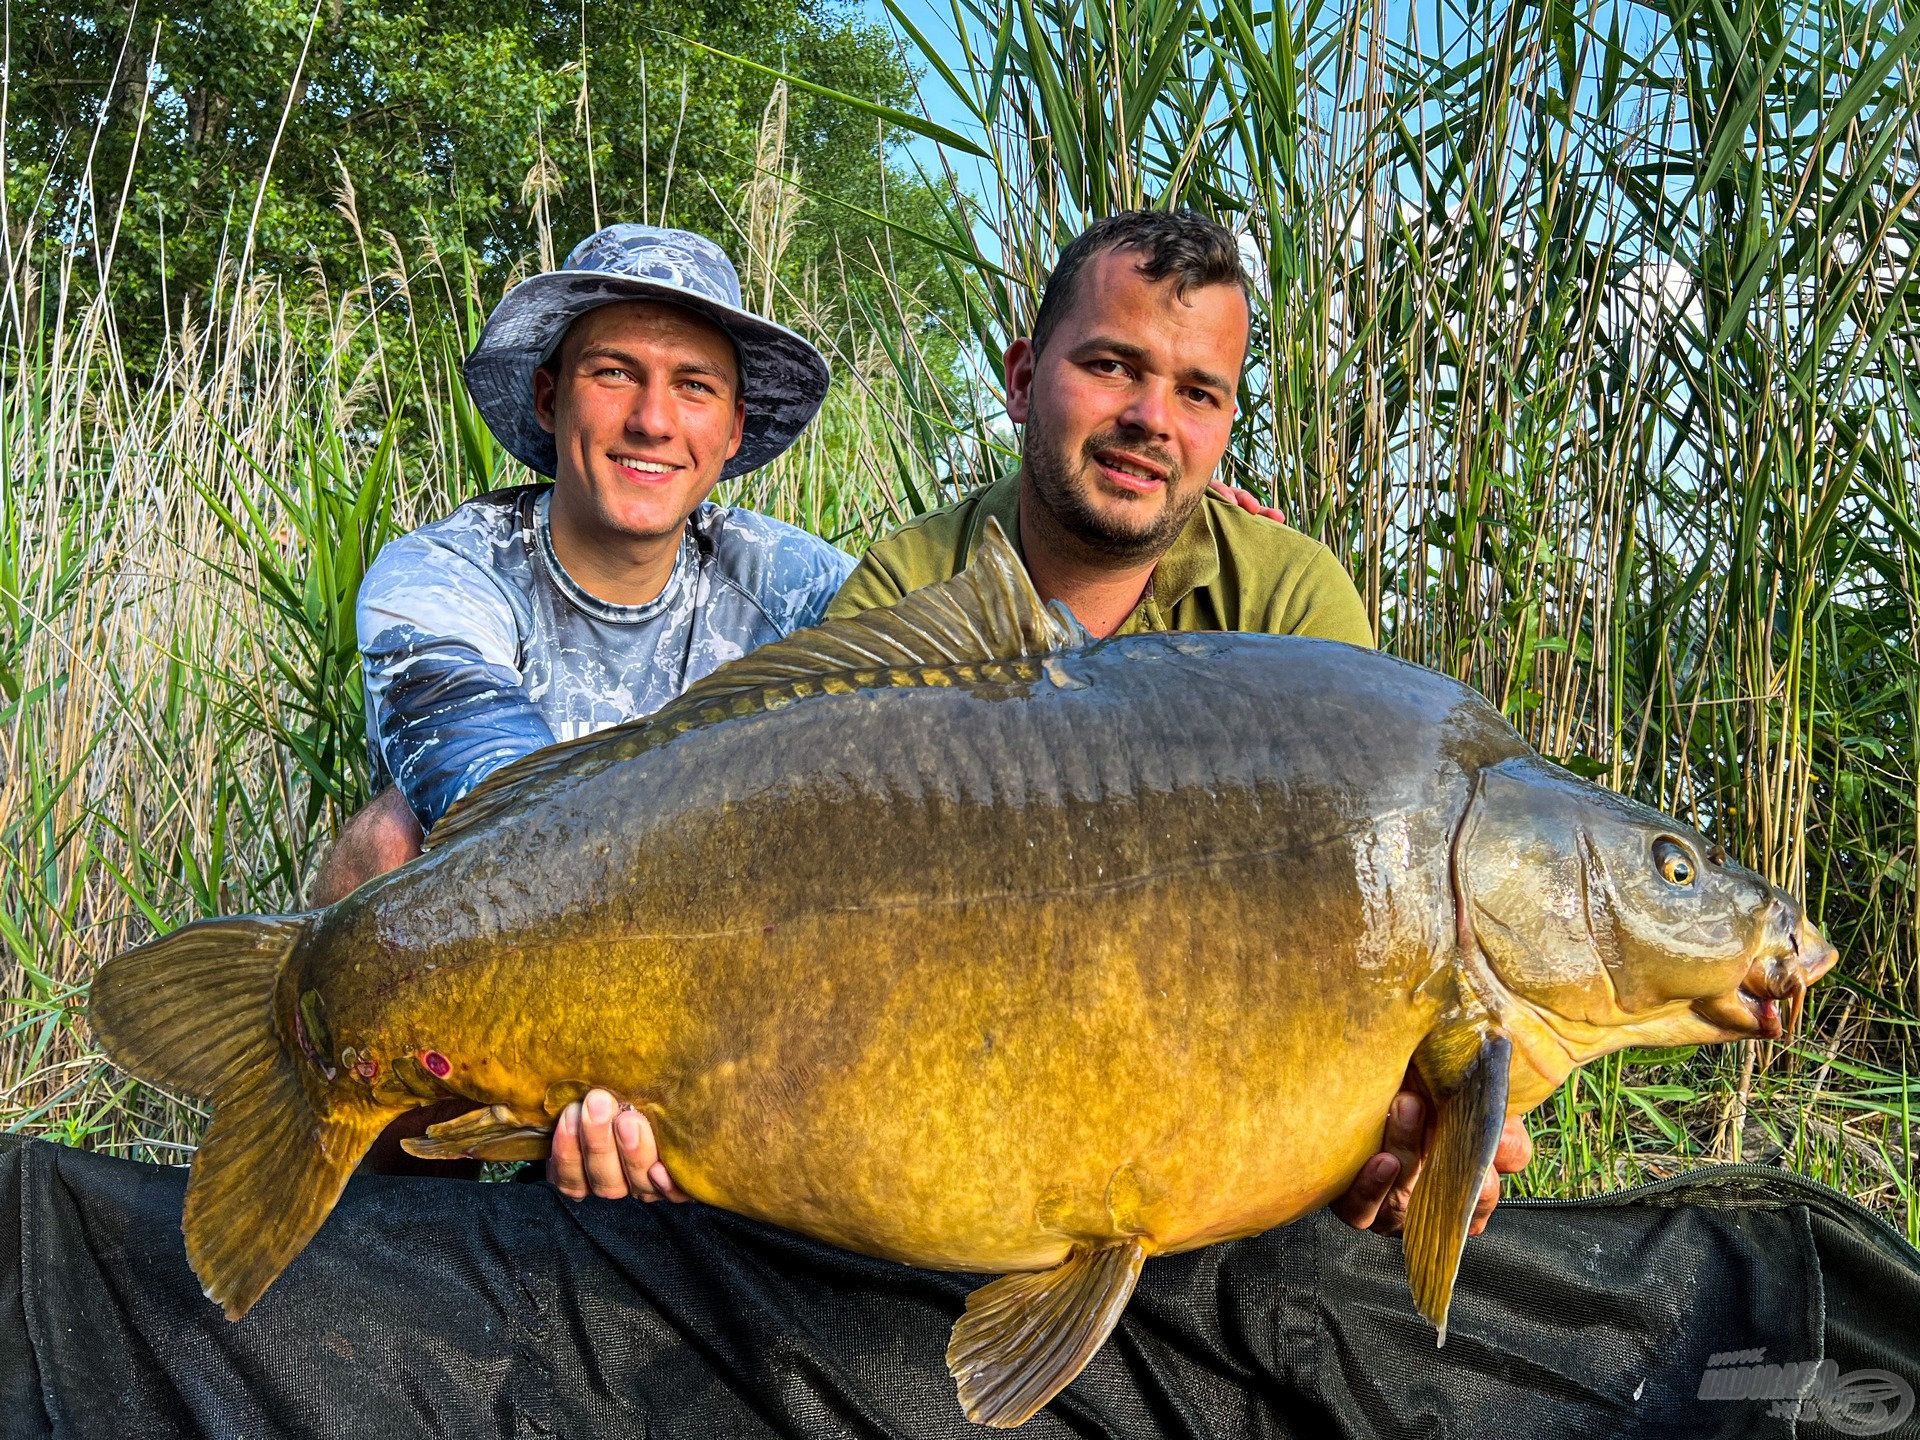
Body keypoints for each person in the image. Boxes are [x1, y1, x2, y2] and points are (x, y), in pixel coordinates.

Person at [804, 209, 1531, 1238]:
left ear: (1227, 424)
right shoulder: (911, 583)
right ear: (1021, 378)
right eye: (1111, 366)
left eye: (1199, 393)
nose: (1153, 418)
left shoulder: (1291, 603)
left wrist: (1416, 1136)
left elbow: (1365, 923)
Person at [310, 223, 856, 1175]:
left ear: (730, 433)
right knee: (390, 843)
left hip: (726, 995)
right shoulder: (442, 574)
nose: (653, 419)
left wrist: (1178, 540)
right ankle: (394, 1226)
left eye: (694, 386)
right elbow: (501, 803)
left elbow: (975, 685)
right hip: (495, 961)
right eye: (614, 373)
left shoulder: (799, 583)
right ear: (549, 394)